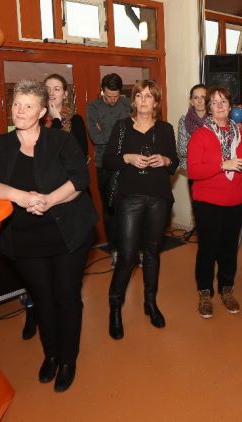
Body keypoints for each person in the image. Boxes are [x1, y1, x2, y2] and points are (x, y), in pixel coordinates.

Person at [0, 79, 97, 393]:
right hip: (25, 238)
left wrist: (48, 200)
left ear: (42, 112)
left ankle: (68, 359)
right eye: (16, 104)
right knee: (42, 298)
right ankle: (51, 353)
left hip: (68, 232)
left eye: (28, 106)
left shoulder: (60, 140)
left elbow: (80, 179)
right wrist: (20, 196)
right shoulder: (1, 145)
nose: (19, 110)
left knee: (67, 297)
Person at [105, 80, 178, 340]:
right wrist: (128, 158)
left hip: (159, 197)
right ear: (133, 100)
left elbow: (174, 162)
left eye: (149, 96)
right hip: (130, 198)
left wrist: (165, 160)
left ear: (156, 102)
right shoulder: (122, 127)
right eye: (140, 96)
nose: (144, 100)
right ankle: (115, 307)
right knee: (127, 256)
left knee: (152, 253)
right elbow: (108, 160)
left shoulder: (165, 129)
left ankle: (150, 302)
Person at [187, 86, 242, 318]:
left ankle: (226, 289)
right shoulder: (200, 135)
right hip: (208, 201)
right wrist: (223, 164)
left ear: (230, 106)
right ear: (209, 108)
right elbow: (193, 171)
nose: (220, 105)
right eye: (214, 102)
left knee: (229, 249)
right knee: (208, 248)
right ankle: (205, 292)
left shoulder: (241, 135)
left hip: (236, 199)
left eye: (223, 101)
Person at [86, 73, 131, 257]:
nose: (112, 100)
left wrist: (108, 133)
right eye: (109, 96)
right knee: (109, 208)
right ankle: (114, 250)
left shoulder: (128, 104)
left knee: (130, 206)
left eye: (116, 96)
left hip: (128, 162)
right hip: (104, 163)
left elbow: (134, 133)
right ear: (102, 91)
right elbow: (96, 138)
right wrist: (121, 133)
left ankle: (131, 248)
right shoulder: (93, 107)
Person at [44, 74, 88, 157]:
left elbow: (82, 153)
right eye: (47, 89)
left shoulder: (75, 119)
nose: (51, 93)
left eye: (56, 89)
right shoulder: (36, 117)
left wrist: (56, 120)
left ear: (65, 94)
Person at [177, 84, 207, 171]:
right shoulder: (183, 120)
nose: (200, 101)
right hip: (192, 166)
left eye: (203, 97)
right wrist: (206, 149)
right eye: (196, 97)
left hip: (213, 166)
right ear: (191, 101)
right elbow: (182, 150)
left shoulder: (215, 119)